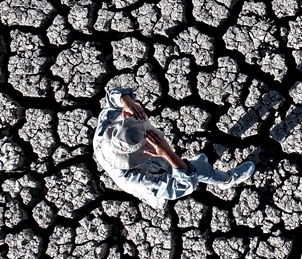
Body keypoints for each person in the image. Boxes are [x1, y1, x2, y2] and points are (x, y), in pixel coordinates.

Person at [92, 86, 255, 209]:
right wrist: (168, 154)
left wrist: (126, 102)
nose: (152, 139)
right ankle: (226, 179)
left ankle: (191, 166)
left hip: (159, 164)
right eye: (147, 142)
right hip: (158, 183)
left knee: (192, 166)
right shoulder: (133, 180)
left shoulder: (103, 136)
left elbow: (112, 97)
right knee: (197, 169)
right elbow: (182, 186)